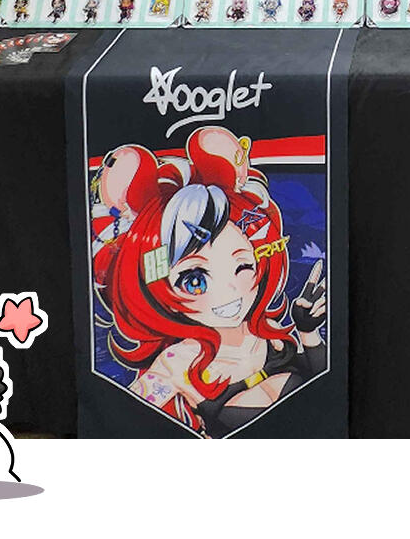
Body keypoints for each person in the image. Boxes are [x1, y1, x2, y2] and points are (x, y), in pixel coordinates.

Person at [92, 127, 327, 437]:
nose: (229, 291)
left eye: (242, 266)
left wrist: (308, 332)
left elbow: (325, 389)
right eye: (194, 280)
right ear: (156, 288)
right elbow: (125, 423)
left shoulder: (266, 330)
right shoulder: (177, 362)